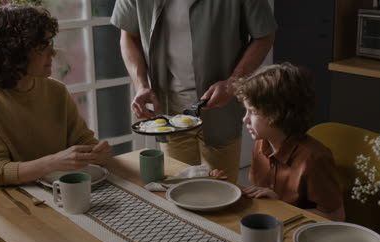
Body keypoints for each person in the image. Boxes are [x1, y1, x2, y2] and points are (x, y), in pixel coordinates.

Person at [111, 0, 276, 183]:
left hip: (222, 109)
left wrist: (233, 83)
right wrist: (141, 85)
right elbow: (128, 35)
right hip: (170, 111)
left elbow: (264, 35)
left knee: (220, 195)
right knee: (179, 190)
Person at [0, 5, 112, 190]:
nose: (53, 52)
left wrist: (96, 153)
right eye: (43, 45)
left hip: (56, 193)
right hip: (8, 204)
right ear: (15, 50)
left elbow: (84, 141)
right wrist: (51, 163)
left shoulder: (57, 91)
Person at [228, 63, 345, 221]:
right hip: (271, 224)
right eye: (246, 110)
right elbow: (260, 194)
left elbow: (336, 217)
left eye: (253, 112)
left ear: (277, 114)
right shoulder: (261, 144)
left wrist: (280, 207)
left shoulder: (314, 159)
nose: (245, 119)